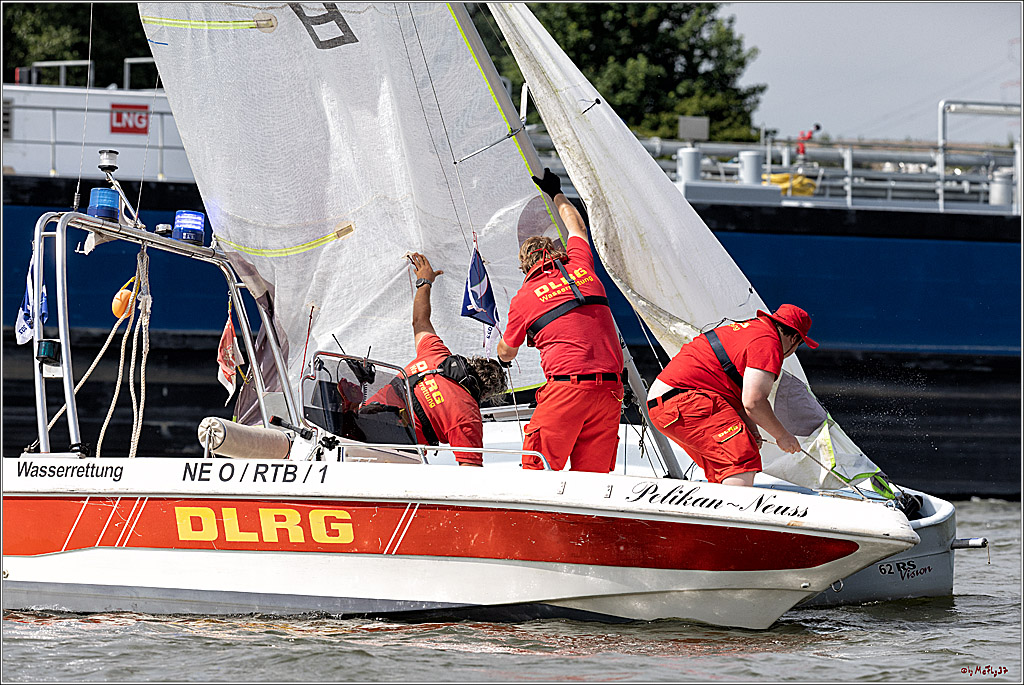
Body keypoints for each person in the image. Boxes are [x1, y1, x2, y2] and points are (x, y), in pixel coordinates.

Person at [496, 169, 624, 472]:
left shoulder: (525, 297)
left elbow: (507, 351)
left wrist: (505, 351)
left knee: (537, 472)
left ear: (524, 265)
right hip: (610, 393)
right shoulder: (580, 264)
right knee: (592, 481)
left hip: (567, 391)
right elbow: (577, 227)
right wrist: (556, 192)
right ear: (556, 252)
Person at [645, 304, 818, 487]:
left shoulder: (750, 330)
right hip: (685, 402)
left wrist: (750, 427)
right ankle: (737, 511)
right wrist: (783, 435)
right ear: (793, 338)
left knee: (724, 467)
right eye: (798, 345)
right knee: (742, 459)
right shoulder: (769, 343)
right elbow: (754, 402)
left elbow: (727, 387)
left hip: (667, 407)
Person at [366, 252, 506, 466]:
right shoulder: (467, 413)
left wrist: (424, 282)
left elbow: (419, 320)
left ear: (471, 362)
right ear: (485, 394)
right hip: (392, 456)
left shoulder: (436, 355)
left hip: (359, 426)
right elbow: (470, 469)